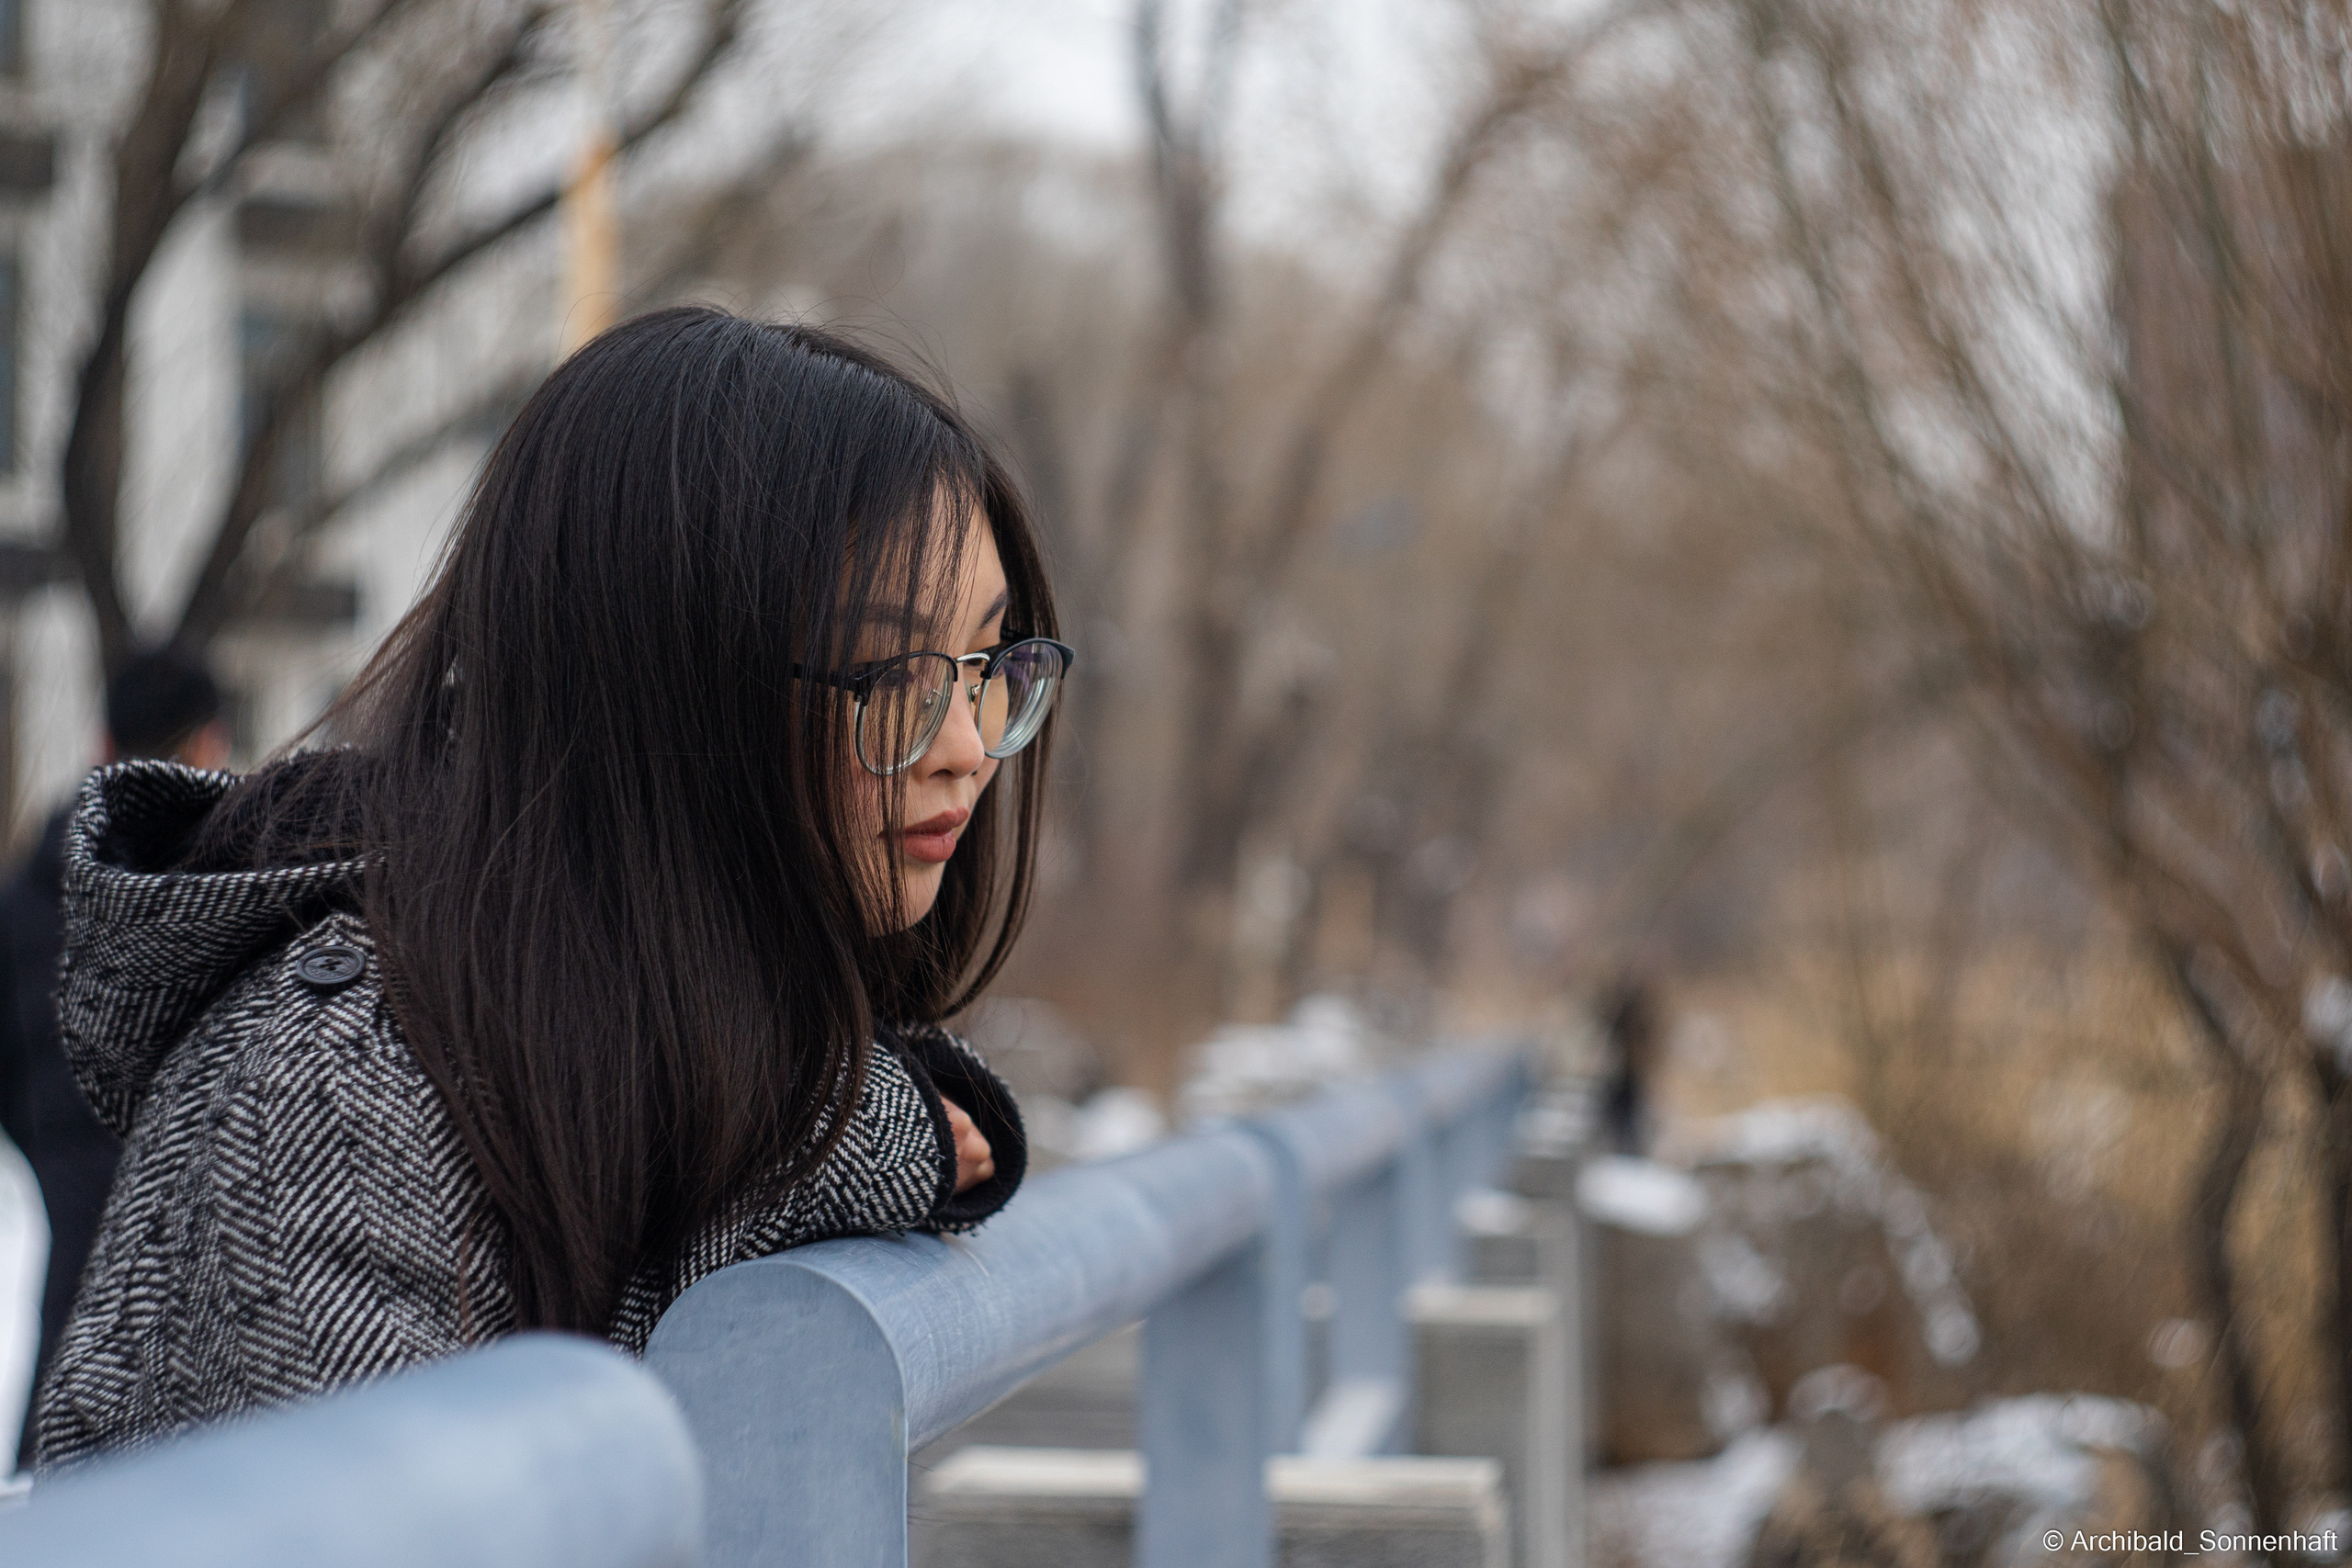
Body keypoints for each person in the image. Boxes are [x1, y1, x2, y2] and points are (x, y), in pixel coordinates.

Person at [28, 308, 1068, 1469]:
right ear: (665, 684)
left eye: (982, 666)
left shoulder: (638, 1029)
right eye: (893, 671)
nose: (967, 745)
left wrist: (829, 1126)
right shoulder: (344, 1083)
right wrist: (841, 1132)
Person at [0, 648, 231, 1468]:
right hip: (209, 1270)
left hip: (73, 1258)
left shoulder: (27, 894)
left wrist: (59, 1152)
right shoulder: (224, 891)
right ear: (209, 745)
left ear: (102, 742)